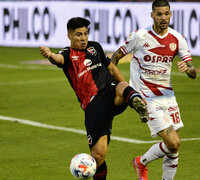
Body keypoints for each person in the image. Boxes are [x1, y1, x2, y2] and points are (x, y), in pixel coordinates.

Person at [39, 17, 149, 180]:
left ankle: (136, 102)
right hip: (93, 105)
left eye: (85, 34)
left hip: (110, 93)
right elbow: (58, 59)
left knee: (121, 87)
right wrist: (50, 55)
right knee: (98, 157)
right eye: (78, 35)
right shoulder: (68, 54)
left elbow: (111, 68)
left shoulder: (95, 47)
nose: (83, 38)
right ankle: (132, 97)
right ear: (69, 36)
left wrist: (127, 86)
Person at [111, 0, 196, 179]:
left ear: (171, 14)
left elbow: (193, 70)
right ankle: (141, 162)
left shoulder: (177, 38)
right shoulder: (140, 36)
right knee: (173, 143)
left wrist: (188, 69)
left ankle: (140, 163)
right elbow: (115, 58)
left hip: (168, 97)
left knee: (174, 148)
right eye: (159, 14)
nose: (163, 18)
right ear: (152, 15)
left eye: (166, 13)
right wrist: (117, 84)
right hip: (146, 97)